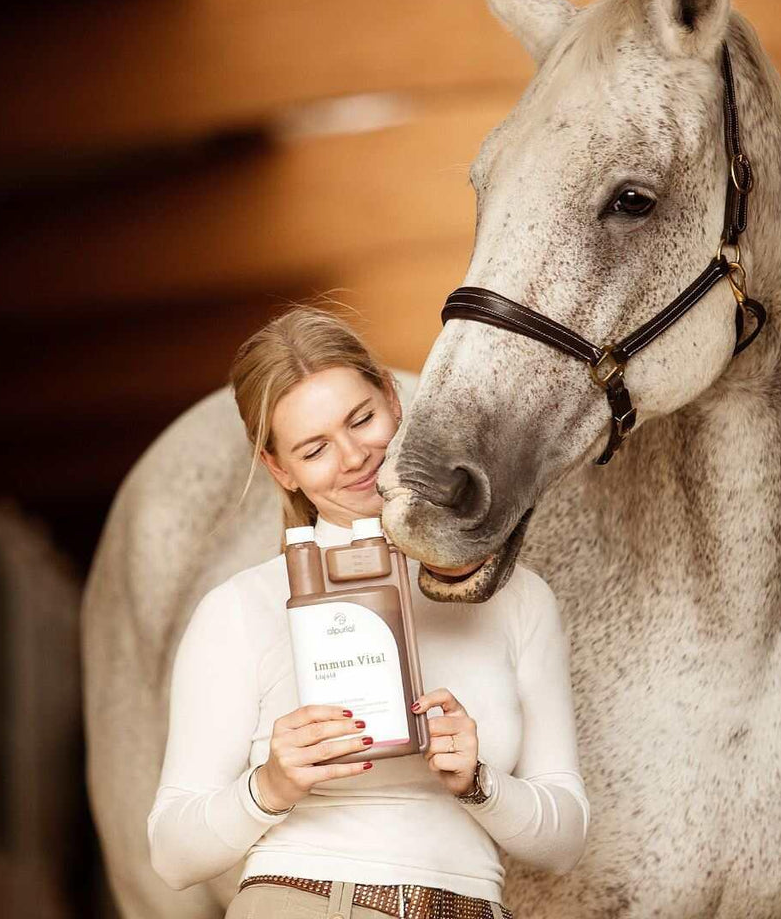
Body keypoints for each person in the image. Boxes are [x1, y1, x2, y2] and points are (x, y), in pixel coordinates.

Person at [147, 306, 589, 919]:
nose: (354, 456)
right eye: (314, 448)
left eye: (362, 418)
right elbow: (171, 855)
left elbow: (565, 841)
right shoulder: (239, 610)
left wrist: (480, 783)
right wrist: (270, 785)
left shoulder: (515, 596)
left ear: (393, 396)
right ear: (280, 468)